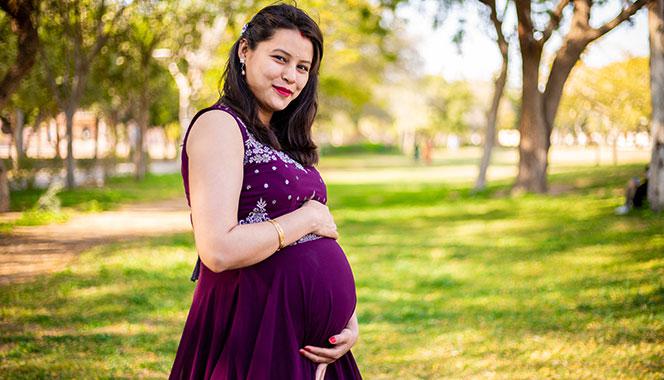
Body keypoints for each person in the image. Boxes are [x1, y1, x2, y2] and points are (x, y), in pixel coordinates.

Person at [169, 4, 361, 380]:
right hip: (254, 330)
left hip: (311, 345)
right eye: (280, 58)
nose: (291, 76)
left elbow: (320, 234)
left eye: (303, 67)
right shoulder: (219, 125)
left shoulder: (285, 139)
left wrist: (347, 321)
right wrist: (306, 216)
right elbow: (218, 250)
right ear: (245, 51)